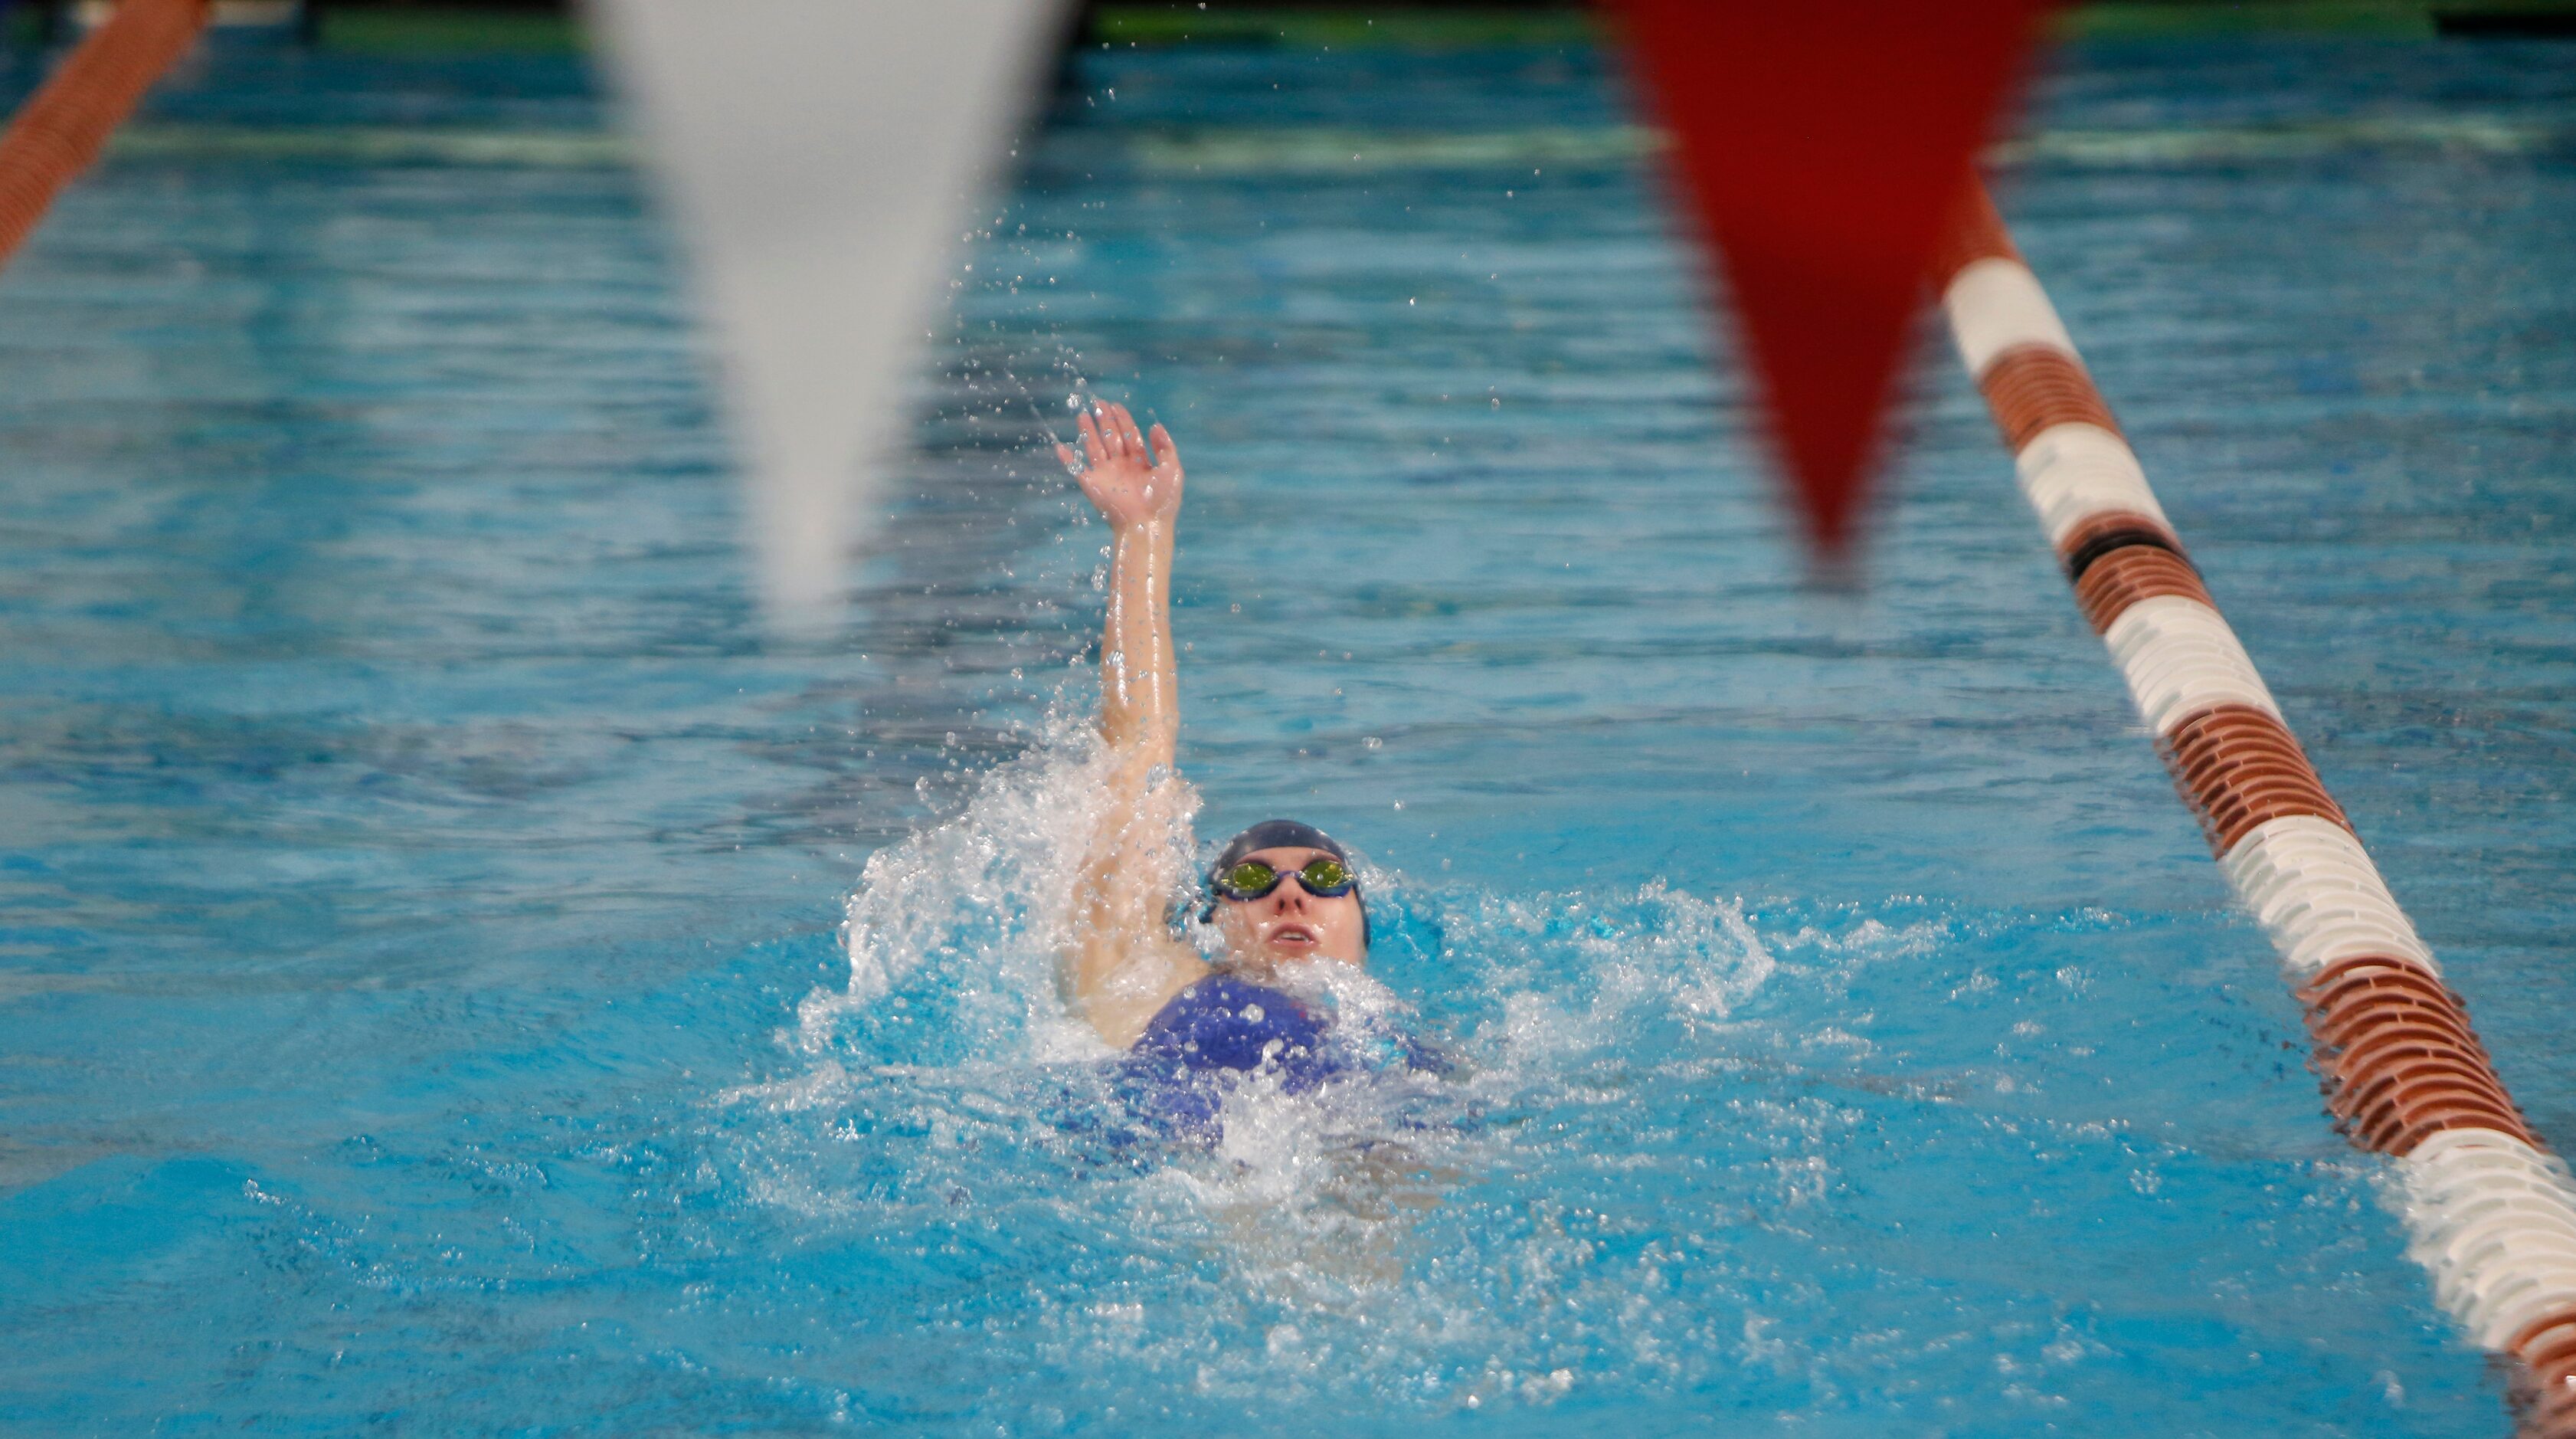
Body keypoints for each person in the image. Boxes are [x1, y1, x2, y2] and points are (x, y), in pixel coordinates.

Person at [1053, 400, 1442, 1125]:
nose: (1290, 898)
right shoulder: (1152, 981)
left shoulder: (1417, 1046)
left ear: (1363, 923)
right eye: (1253, 881)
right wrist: (1142, 534)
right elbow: (1137, 754)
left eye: (1324, 879)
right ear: (1211, 920)